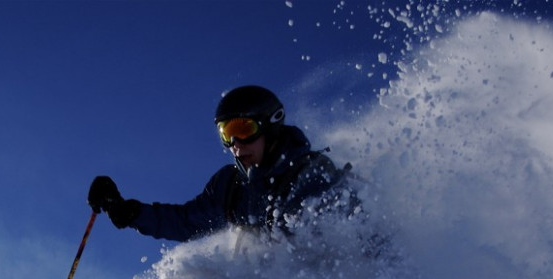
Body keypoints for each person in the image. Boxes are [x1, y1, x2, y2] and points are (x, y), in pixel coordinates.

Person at [87, 85, 358, 241]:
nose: (236, 144)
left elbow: (357, 225)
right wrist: (128, 210)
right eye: (227, 134)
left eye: (243, 129)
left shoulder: (311, 174)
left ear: (270, 126)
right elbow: (186, 222)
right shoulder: (231, 187)